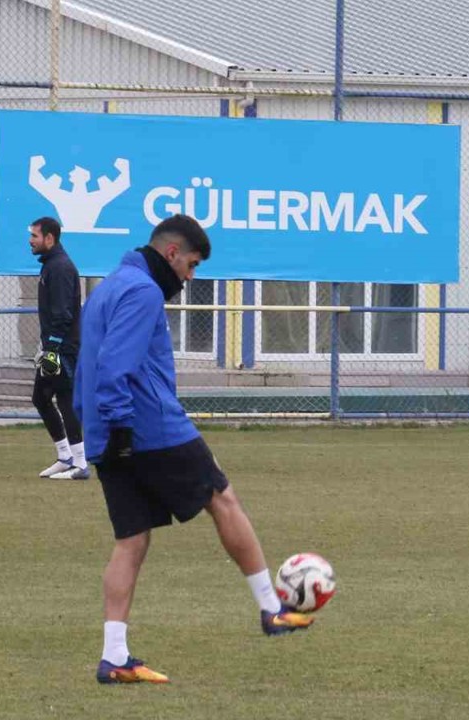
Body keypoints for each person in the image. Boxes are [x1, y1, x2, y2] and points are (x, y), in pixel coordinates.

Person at [74, 214, 314, 685]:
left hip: (106, 432)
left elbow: (89, 365)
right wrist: (123, 423)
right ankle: (271, 609)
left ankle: (114, 657)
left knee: (131, 540)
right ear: (171, 254)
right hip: (148, 427)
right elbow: (113, 364)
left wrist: (102, 430)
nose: (190, 276)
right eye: (192, 265)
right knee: (222, 498)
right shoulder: (142, 292)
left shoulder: (107, 286)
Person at [29, 216, 88, 480]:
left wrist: (52, 347)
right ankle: (65, 456)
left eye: (35, 236)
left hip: (64, 348)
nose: (30, 241)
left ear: (49, 238)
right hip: (54, 346)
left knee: (65, 399)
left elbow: (64, 314)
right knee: (40, 398)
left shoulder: (61, 268)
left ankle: (81, 463)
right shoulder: (50, 265)